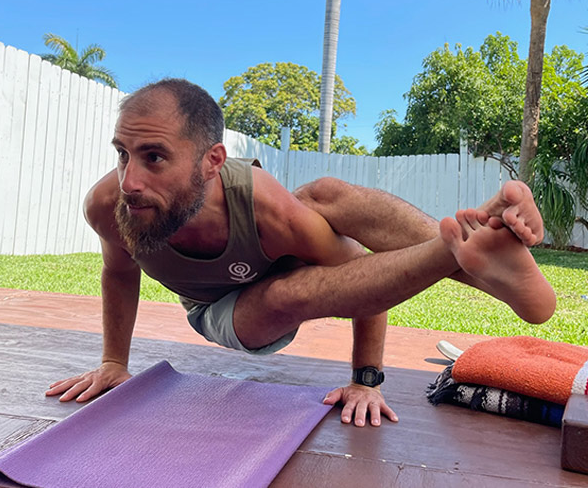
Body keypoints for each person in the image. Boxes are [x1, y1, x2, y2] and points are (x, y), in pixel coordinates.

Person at [46, 79, 556, 427]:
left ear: (212, 162)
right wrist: (114, 362)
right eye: (122, 154)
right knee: (281, 294)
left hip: (276, 255)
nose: (130, 180)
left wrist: (366, 380)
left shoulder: (268, 210)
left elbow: (361, 276)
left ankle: (483, 261)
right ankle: (462, 251)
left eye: (154, 158)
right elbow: (118, 274)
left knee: (330, 193)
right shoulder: (110, 206)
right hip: (220, 310)